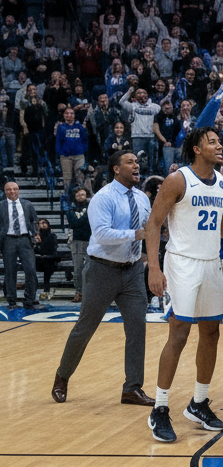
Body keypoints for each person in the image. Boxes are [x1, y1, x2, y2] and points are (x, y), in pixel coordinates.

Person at [143, 126, 223, 443]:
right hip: (181, 263)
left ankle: (199, 402)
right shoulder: (178, 180)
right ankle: (160, 408)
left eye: (220, 141)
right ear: (196, 149)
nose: (220, 146)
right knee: (179, 333)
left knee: (212, 332)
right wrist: (154, 268)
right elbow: (154, 223)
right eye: (212, 142)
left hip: (211, 263)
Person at [50, 152, 154, 405]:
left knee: (137, 329)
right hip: (101, 270)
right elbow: (103, 234)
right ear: (116, 169)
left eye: (137, 161)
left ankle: (132, 388)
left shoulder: (142, 198)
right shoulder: (103, 197)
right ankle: (62, 376)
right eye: (130, 162)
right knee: (85, 328)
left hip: (132, 271)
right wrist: (137, 233)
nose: (136, 164)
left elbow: (150, 229)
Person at [2, 181, 41, 310]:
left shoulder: (27, 204)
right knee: (10, 271)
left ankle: (30, 299)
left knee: (30, 270)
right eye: (9, 189)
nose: (12, 192)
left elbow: (34, 220)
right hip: (8, 240)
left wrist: (36, 234)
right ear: (5, 191)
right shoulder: (1, 206)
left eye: (14, 189)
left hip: (25, 239)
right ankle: (12, 301)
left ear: (18, 190)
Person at [65, 185, 91, 302]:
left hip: (92, 240)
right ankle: (79, 292)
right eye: (78, 195)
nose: (81, 197)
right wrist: (86, 217)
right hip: (77, 241)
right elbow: (74, 223)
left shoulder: (93, 207)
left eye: (83, 194)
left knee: (92, 268)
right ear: (74, 197)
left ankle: (91, 292)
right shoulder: (70, 211)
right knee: (78, 269)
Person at [55, 105, 88, 190]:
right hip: (66, 156)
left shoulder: (79, 126)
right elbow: (59, 141)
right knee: (67, 178)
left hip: (79, 155)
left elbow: (84, 139)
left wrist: (83, 149)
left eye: (71, 113)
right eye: (67, 113)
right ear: (64, 115)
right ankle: (68, 196)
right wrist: (61, 152)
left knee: (80, 176)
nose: (69, 115)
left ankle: (81, 196)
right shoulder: (61, 127)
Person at [34, 218, 60, 299]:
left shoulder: (52, 236)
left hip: (49, 259)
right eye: (40, 223)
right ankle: (34, 288)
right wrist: (37, 244)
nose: (43, 225)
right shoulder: (36, 237)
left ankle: (46, 288)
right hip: (38, 260)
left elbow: (53, 250)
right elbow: (34, 251)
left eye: (44, 223)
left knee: (48, 264)